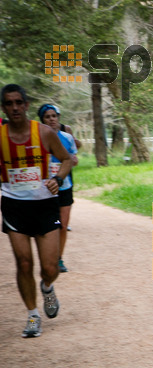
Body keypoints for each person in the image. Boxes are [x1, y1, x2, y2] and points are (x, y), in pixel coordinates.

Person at [1, 84, 74, 337]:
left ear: (26, 105)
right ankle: (33, 316)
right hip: (14, 206)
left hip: (44, 205)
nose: (14, 108)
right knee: (23, 263)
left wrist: (60, 179)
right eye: (9, 103)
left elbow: (66, 159)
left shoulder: (43, 133)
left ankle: (46, 287)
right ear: (4, 107)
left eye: (18, 102)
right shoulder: (0, 136)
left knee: (50, 267)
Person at [38, 104, 78, 272]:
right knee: (48, 226)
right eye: (47, 117)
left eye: (54, 116)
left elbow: (73, 158)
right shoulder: (38, 138)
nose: (52, 119)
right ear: (42, 120)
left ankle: (59, 259)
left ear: (58, 118)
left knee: (62, 226)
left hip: (65, 186)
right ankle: (48, 257)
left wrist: (72, 160)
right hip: (45, 188)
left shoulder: (66, 138)